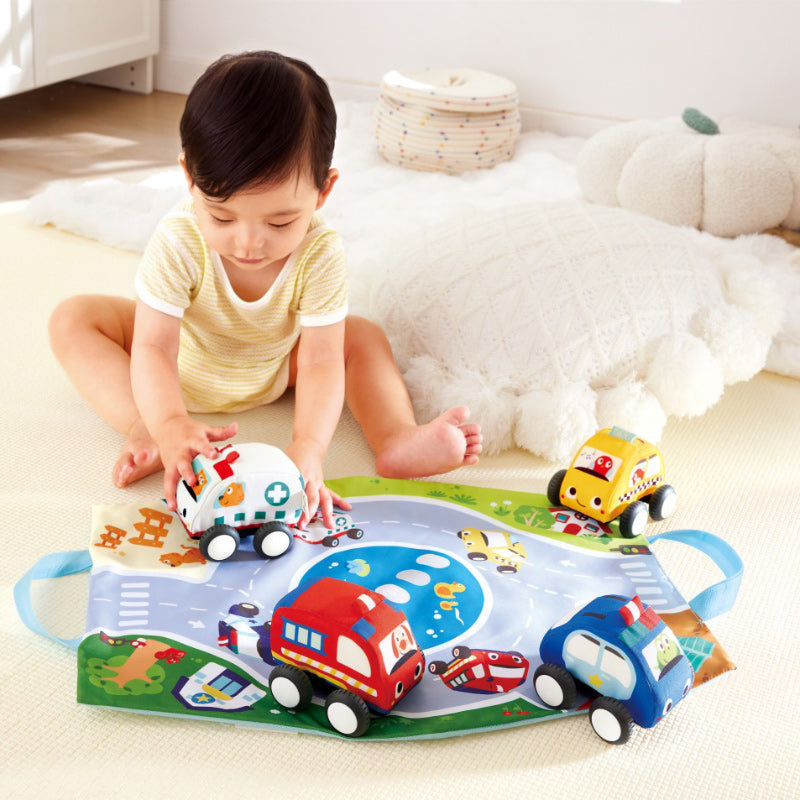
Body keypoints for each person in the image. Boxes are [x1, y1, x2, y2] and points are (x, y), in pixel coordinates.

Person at [49, 51, 482, 527]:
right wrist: (167, 422)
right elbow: (154, 346)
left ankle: (395, 435)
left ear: (323, 191)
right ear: (189, 180)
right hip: (179, 363)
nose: (248, 243)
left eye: (280, 222)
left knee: (361, 335)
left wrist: (308, 447)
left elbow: (319, 360)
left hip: (274, 365)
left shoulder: (321, 253)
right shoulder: (178, 240)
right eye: (222, 217)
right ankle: (144, 425)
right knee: (73, 318)